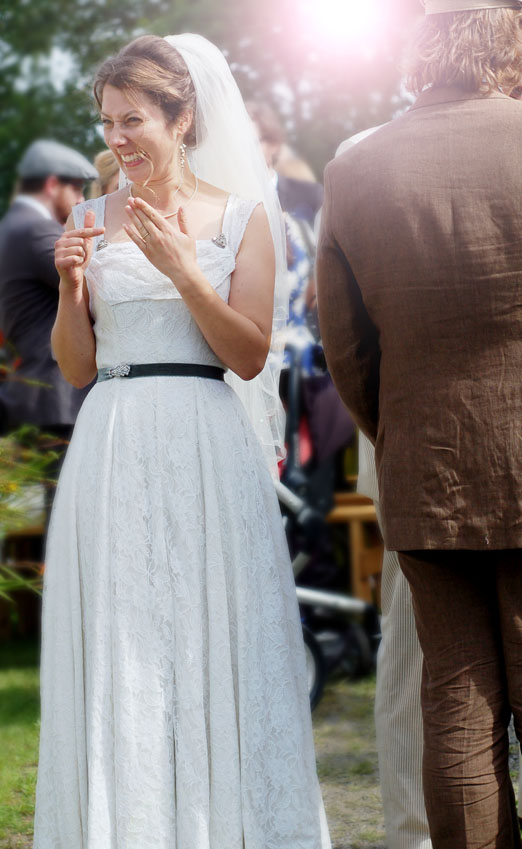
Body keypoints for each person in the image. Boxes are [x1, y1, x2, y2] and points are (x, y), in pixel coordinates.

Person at [33, 33, 331, 849]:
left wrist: (185, 271)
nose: (117, 138)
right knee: (122, 637)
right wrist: (69, 287)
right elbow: (77, 365)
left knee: (206, 632)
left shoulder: (243, 217)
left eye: (133, 120)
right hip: (113, 439)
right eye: (107, 121)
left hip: (204, 436)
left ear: (182, 117)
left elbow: (247, 353)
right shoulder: (89, 217)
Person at [317, 1, 522, 847]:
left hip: (426, 471)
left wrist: (401, 435)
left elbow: (346, 348)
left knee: (458, 704)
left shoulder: (355, 168)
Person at [337, 130, 431, 849]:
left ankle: (416, 833)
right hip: (409, 459)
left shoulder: (359, 155)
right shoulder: (363, 156)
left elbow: (345, 343)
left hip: (409, 451)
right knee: (411, 661)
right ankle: (414, 832)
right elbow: (347, 333)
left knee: (415, 665)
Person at [0, 139, 97, 436]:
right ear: (52, 185)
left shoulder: (11, 226)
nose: (81, 200)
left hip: (34, 395)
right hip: (57, 398)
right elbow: (98, 290)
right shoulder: (37, 230)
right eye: (77, 189)